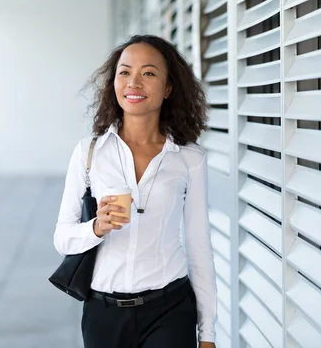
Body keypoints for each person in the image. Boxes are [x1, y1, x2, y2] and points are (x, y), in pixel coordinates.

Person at [53, 35, 217, 348]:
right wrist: (97, 228)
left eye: (149, 73)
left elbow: (199, 246)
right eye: (125, 72)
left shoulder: (189, 159)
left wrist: (207, 334)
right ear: (113, 84)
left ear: (168, 88)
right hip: (104, 313)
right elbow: (62, 238)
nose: (134, 83)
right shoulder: (89, 153)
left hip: (169, 310)